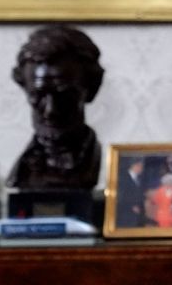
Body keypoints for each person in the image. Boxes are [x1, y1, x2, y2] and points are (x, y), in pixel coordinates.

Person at [7, 25, 105, 190]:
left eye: (65, 96)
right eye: (38, 95)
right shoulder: (22, 171)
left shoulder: (103, 163)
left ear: (91, 89)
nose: (50, 110)